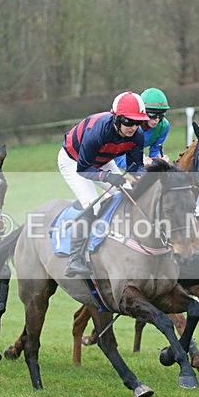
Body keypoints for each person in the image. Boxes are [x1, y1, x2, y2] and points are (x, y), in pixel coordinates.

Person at [57, 91, 149, 277]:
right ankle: (75, 259)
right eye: (128, 122)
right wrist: (107, 177)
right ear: (117, 118)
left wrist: (148, 178)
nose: (133, 127)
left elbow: (136, 167)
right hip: (74, 161)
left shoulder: (137, 135)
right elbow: (83, 168)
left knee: (131, 193)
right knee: (93, 203)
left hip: (101, 160)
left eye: (138, 122)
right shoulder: (97, 132)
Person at [115, 87, 171, 169]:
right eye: (153, 115)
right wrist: (139, 162)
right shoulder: (129, 125)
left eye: (161, 116)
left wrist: (159, 162)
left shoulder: (164, 126)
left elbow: (155, 150)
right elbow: (116, 157)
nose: (157, 120)